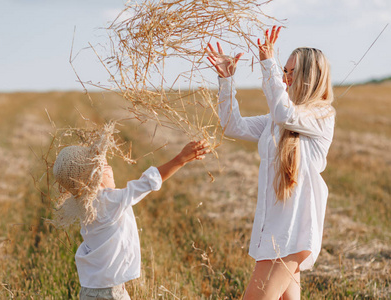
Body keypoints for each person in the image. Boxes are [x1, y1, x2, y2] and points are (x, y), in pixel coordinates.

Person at [206, 26, 335, 299]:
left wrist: (269, 63)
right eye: (283, 72)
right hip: (274, 230)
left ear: (309, 77)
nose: (285, 79)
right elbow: (232, 126)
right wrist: (226, 80)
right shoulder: (276, 120)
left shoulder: (321, 114)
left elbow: (283, 112)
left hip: (292, 233)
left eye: (290, 72)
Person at [53, 139, 210, 300]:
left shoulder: (84, 205)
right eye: (105, 166)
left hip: (89, 290)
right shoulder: (106, 201)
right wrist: (180, 160)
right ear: (94, 176)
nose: (111, 168)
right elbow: (146, 183)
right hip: (109, 293)